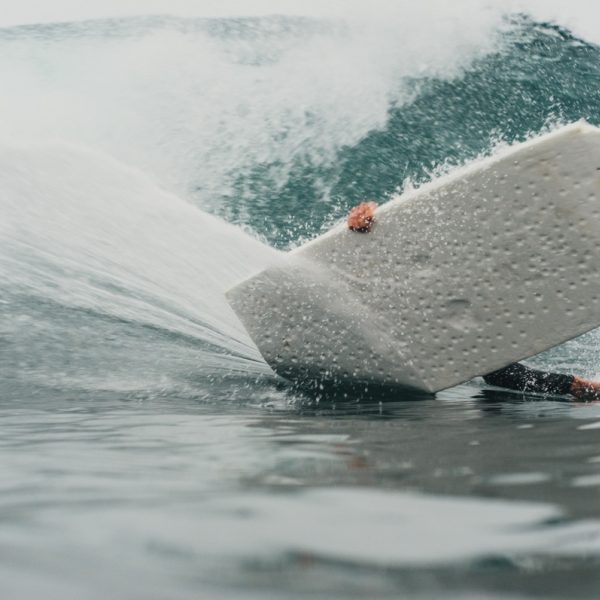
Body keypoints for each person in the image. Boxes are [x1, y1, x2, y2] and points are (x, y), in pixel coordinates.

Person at [347, 201, 600, 401]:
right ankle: (576, 387)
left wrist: (370, 226)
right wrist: (358, 232)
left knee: (498, 372)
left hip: (449, 317)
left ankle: (578, 387)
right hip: (413, 332)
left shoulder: (439, 283)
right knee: (496, 372)